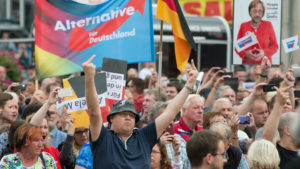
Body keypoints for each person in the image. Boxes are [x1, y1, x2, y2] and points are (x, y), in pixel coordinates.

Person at [82, 55, 198, 168]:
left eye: (132, 115)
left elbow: (170, 112)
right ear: (111, 118)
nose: (128, 117)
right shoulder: (103, 137)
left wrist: (189, 85)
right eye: (123, 114)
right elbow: (94, 113)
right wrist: (89, 78)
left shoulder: (143, 137)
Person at [236, 0, 278, 64]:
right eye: (254, 11)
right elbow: (237, 47)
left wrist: (264, 52)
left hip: (265, 64)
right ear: (250, 12)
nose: (257, 14)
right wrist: (246, 53)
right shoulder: (243, 26)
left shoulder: (268, 25)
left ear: (263, 13)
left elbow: (275, 46)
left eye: (260, 11)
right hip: (248, 65)